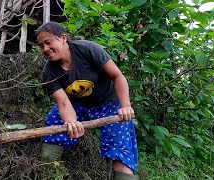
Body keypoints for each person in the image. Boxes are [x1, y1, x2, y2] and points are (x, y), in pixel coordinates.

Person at [36, 22, 138, 180]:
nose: (45, 49)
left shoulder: (88, 49)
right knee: (54, 122)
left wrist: (125, 106)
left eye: (48, 42)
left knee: (120, 146)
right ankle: (48, 170)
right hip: (78, 105)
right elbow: (62, 102)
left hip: (109, 103)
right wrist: (71, 122)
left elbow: (118, 76)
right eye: (41, 46)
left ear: (63, 38)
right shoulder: (49, 72)